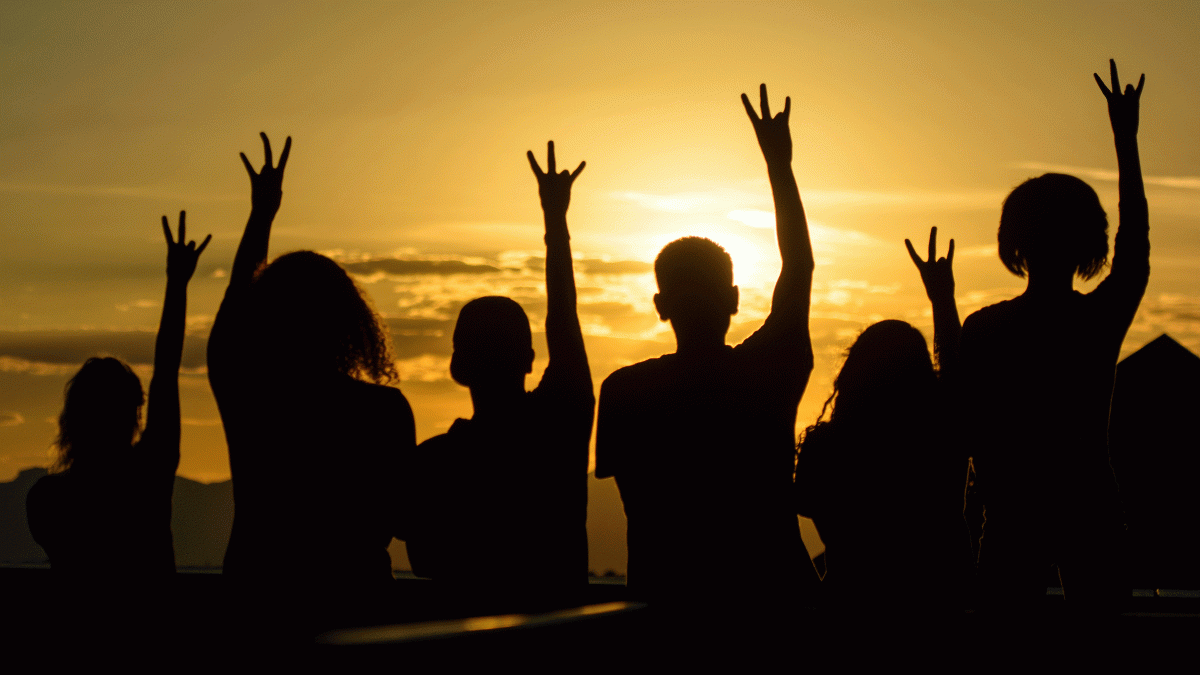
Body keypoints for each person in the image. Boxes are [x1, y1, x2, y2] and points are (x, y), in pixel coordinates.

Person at [595, 85, 818, 611]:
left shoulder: (625, 391)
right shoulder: (768, 372)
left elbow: (639, 501)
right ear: (735, 300)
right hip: (774, 602)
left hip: (667, 605)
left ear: (659, 305)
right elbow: (799, 268)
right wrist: (779, 167)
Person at [961, 61, 1149, 613]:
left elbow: (966, 429)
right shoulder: (1093, 322)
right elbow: (1135, 249)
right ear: (1089, 244)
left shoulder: (986, 328)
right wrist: (1126, 142)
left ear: (1014, 243)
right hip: (1089, 509)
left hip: (1012, 517)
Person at [207, 134, 416, 594]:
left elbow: (227, 331)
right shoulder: (384, 411)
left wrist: (261, 215)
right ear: (350, 322)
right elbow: (402, 517)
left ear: (265, 320)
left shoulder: (252, 404)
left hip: (258, 590)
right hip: (356, 597)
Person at [404, 142, 594, 613]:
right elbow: (564, 320)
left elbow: (425, 559)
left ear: (455, 367)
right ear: (530, 359)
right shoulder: (560, 424)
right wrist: (555, 221)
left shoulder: (433, 463)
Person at [795, 228, 971, 615]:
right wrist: (942, 300)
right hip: (940, 603)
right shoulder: (940, 437)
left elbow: (797, 513)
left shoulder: (825, 449)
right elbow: (958, 377)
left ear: (853, 375)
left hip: (849, 605)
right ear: (923, 375)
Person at [27, 212, 210, 577]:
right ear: (135, 413)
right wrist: (177, 285)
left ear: (71, 417)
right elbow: (166, 369)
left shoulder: (47, 499)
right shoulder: (148, 474)